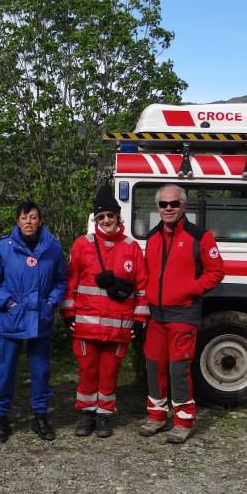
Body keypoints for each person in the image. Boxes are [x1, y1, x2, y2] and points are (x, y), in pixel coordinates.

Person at [61, 186, 148, 438]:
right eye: (101, 216)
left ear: (118, 217)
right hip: (86, 326)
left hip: (118, 328)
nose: (106, 220)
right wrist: (68, 315)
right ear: (96, 219)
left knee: (110, 373)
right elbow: (70, 283)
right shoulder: (82, 245)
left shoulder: (132, 248)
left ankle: (104, 415)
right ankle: (86, 414)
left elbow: (141, 288)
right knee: (87, 371)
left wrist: (139, 321)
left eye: (110, 215)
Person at [140, 184, 225, 444]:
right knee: (153, 365)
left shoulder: (200, 236)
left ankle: (183, 421)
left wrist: (190, 290)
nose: (168, 208)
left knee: (178, 369)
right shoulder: (152, 237)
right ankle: (156, 416)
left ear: (183, 206)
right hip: (156, 315)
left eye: (174, 203)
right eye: (163, 204)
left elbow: (216, 272)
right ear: (158, 207)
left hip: (184, 313)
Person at [0, 201, 67, 443]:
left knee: (41, 371)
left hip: (40, 320)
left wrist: (51, 302)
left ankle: (40, 417)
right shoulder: (3, 248)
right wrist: (8, 303)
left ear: (40, 221)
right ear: (17, 221)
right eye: (24, 217)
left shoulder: (52, 248)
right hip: (12, 320)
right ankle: (1, 420)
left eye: (34, 217)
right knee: (5, 372)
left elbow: (61, 281)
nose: (29, 221)